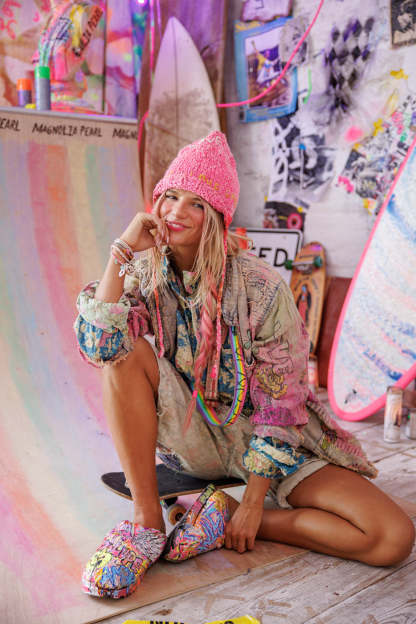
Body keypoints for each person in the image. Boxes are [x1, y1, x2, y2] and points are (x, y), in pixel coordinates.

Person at [75, 131, 415, 600]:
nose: (175, 211)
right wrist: (122, 252)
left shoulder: (261, 288)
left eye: (195, 203)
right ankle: (147, 522)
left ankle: (221, 516)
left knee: (391, 538)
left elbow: (281, 403)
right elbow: (100, 345)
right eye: (170, 196)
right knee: (124, 351)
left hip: (272, 444)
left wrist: (253, 504)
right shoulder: (146, 273)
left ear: (216, 216)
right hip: (195, 435)